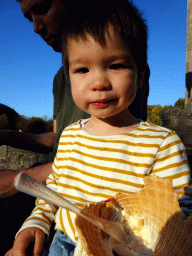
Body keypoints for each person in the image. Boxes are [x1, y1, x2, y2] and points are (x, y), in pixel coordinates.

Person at [5, 0, 191, 255]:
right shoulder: (70, 137)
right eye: (82, 69)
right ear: (68, 76)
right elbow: (53, 191)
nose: (99, 82)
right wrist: (36, 222)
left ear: (140, 76)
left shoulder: (162, 144)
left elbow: (179, 214)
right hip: (64, 242)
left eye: (115, 65)